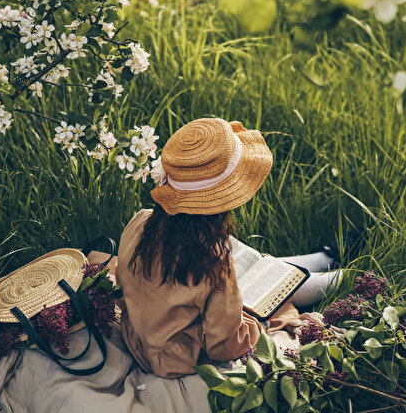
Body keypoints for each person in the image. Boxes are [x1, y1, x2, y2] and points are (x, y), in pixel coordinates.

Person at [111, 118, 347, 378]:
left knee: (264, 271)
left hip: (138, 337)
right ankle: (346, 273)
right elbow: (224, 346)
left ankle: (327, 255)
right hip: (178, 357)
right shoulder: (211, 259)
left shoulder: (141, 220)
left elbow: (126, 282)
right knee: (273, 295)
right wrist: (258, 325)